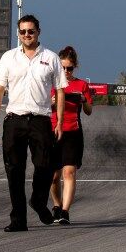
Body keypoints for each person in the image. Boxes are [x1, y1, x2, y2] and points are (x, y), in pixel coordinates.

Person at [0, 15, 67, 232]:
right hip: (14, 120)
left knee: (45, 165)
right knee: (14, 170)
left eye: (31, 31)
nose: (27, 35)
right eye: (22, 32)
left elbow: (60, 90)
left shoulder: (51, 58)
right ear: (18, 34)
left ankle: (38, 201)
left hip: (40, 119)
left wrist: (57, 121)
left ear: (38, 32)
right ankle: (18, 220)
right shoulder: (9, 57)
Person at [49, 46, 93, 225]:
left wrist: (83, 100)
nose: (66, 72)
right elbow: (41, 108)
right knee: (53, 176)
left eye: (70, 68)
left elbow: (89, 111)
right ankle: (57, 206)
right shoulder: (50, 84)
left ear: (75, 67)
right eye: (63, 68)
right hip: (52, 131)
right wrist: (51, 102)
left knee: (69, 171)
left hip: (72, 132)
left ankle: (65, 211)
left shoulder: (81, 85)